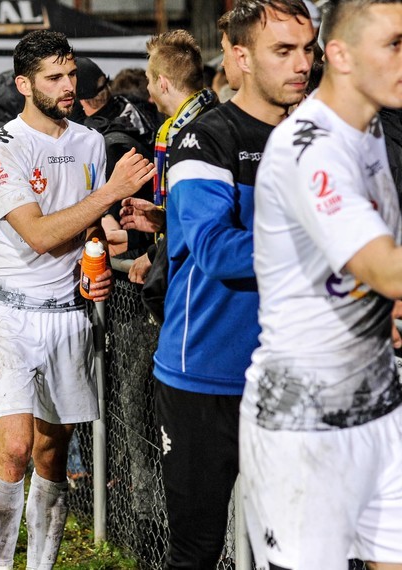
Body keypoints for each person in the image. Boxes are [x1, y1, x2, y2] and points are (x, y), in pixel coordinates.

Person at [0, 30, 154, 570]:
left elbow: (88, 225)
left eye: (71, 74)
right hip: (9, 311)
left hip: (70, 316)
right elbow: (38, 234)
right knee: (14, 448)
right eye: (54, 77)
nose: (68, 86)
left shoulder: (89, 142)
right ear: (24, 84)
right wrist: (111, 193)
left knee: (52, 455)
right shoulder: (1, 146)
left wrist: (105, 251)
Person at [148, 1, 314, 567]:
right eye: (283, 51)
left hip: (293, 379)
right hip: (205, 377)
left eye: (307, 49)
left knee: (300, 551)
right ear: (240, 57)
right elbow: (217, 251)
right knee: (196, 552)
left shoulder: (324, 138)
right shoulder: (204, 139)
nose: (302, 65)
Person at [240, 1, 402, 567]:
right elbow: (383, 268)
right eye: (395, 44)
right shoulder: (310, 149)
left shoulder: (373, 127)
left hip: (382, 404)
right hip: (304, 424)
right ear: (342, 55)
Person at [123, 30, 218, 285]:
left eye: (149, 80)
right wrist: (161, 218)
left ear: (162, 83)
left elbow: (201, 217)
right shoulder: (176, 128)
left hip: (198, 276)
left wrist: (155, 255)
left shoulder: (200, 132)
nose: (147, 88)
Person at [76, 56, 156, 258]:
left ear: (81, 102)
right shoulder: (138, 110)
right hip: (153, 241)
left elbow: (111, 218)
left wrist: (106, 215)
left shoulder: (100, 141)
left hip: (129, 247)